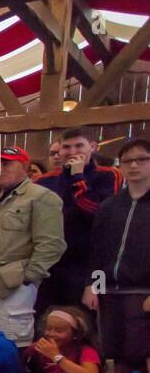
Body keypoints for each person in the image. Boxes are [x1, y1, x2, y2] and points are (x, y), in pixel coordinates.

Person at [0, 145, 65, 348]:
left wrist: (26, 278)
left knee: (11, 344)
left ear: (25, 166)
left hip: (11, 288)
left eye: (7, 163)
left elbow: (52, 244)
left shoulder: (42, 197)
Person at [35, 127, 123, 312]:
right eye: (67, 147)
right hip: (50, 266)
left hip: (89, 265)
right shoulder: (45, 181)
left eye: (79, 146)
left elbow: (98, 212)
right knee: (46, 321)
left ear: (92, 146)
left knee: (85, 322)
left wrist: (77, 177)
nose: (72, 152)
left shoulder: (109, 175)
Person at [84, 137, 150, 373]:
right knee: (116, 353)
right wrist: (92, 285)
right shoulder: (110, 206)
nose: (134, 165)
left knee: (141, 353)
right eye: (128, 161)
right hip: (110, 291)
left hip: (142, 292)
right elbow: (98, 251)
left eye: (142, 159)